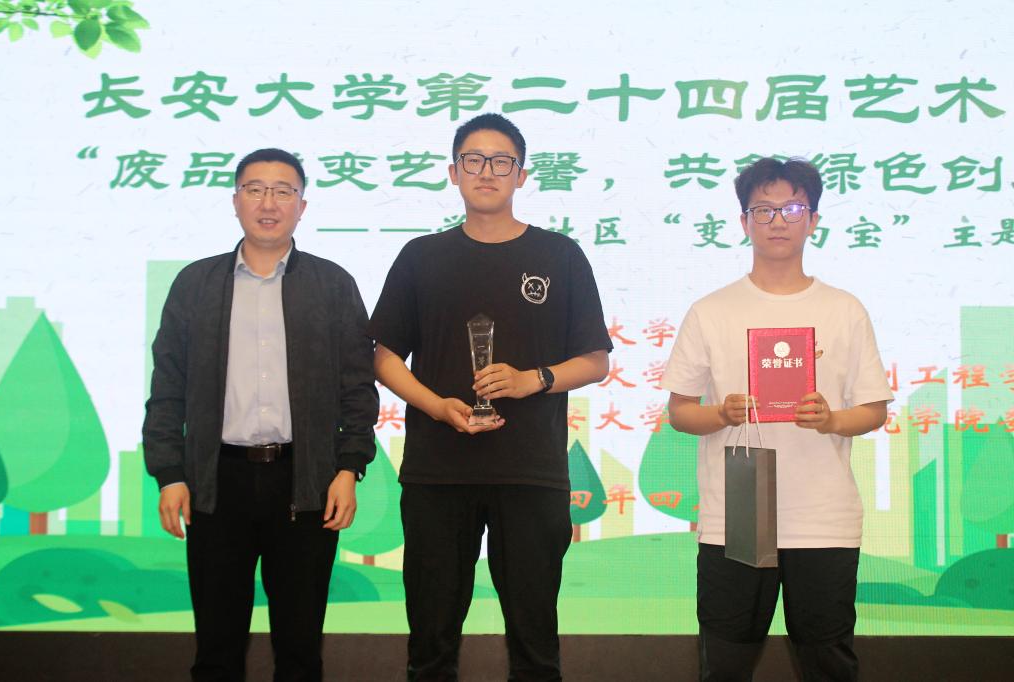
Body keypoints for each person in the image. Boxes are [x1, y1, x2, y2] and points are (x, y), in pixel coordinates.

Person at [368, 113, 612, 681]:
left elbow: (596, 360)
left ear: (521, 176)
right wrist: (436, 406)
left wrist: (534, 379)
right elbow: (382, 355)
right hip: (438, 473)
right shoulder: (421, 256)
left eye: (502, 162)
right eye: (473, 160)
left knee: (534, 644)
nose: (486, 172)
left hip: (530, 472)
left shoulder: (560, 255)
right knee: (431, 642)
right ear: (453, 172)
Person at [143, 148, 379, 681]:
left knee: (299, 649)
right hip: (216, 484)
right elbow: (168, 387)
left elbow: (358, 388)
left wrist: (349, 467)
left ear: (302, 205)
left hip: (304, 484)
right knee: (216, 649)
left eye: (282, 191)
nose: (268, 203)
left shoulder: (332, 284)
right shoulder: (196, 284)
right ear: (235, 201)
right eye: (255, 189)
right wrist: (170, 474)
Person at [660, 157, 893, 681]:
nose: (778, 221)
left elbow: (874, 410)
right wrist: (720, 413)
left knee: (827, 659)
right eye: (763, 210)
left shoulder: (844, 309)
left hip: (823, 512)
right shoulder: (712, 310)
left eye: (792, 209)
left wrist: (831, 420)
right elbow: (680, 412)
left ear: (814, 220)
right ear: (744, 222)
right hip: (742, 506)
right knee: (726, 661)